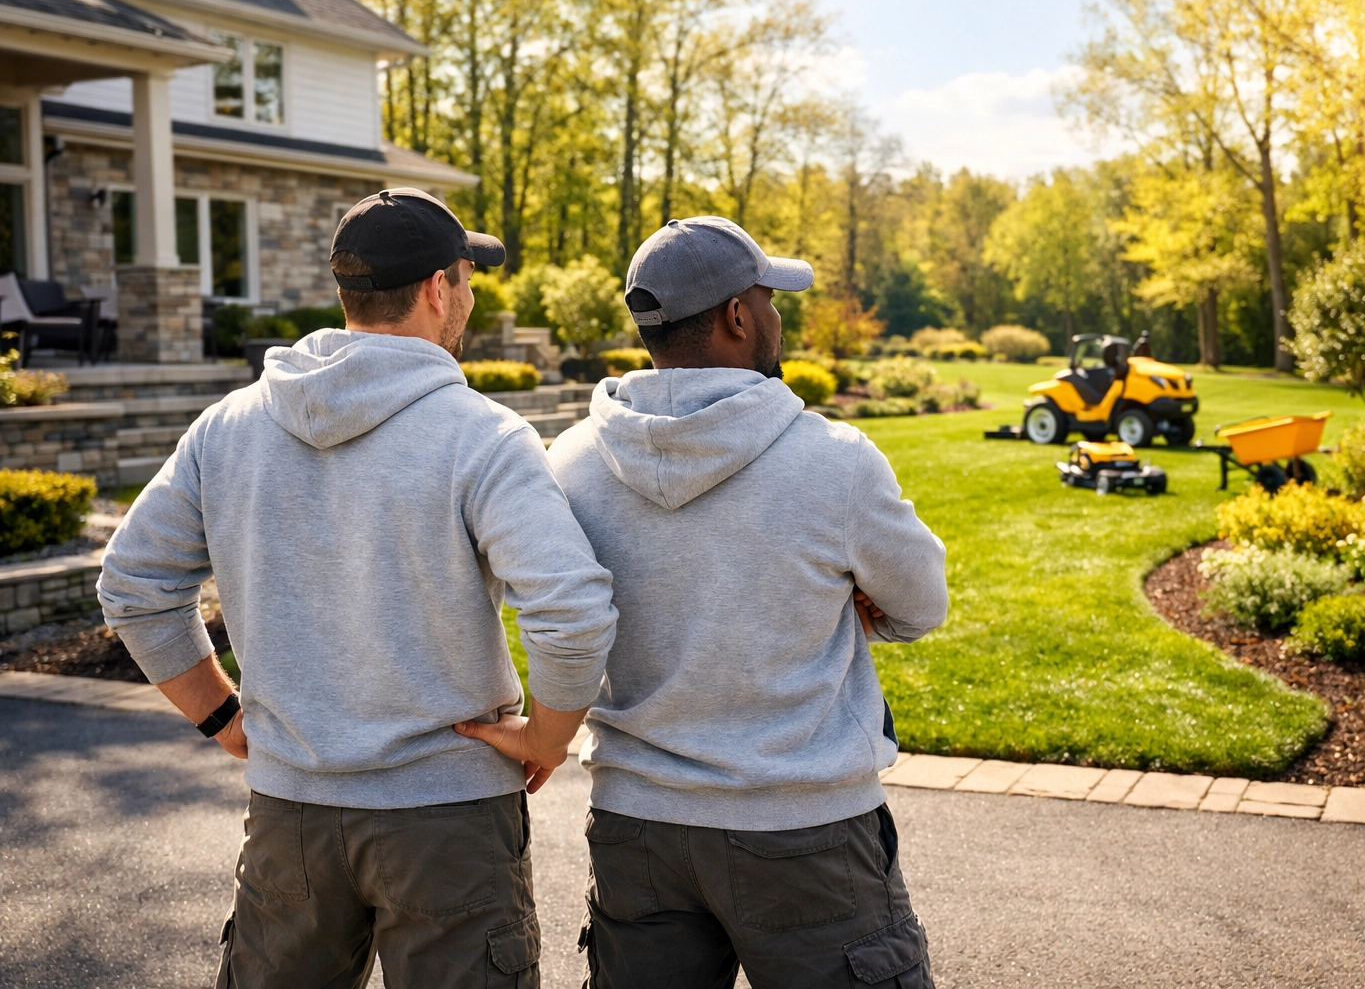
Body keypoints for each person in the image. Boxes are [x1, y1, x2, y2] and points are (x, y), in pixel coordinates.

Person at [97, 187, 617, 989]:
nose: (470, 297)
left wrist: (223, 717)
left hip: (290, 817)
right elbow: (573, 612)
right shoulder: (482, 434)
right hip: (449, 821)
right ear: (440, 288)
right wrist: (548, 739)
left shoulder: (228, 426)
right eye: (467, 280)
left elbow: (133, 584)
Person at [477, 215, 948, 987]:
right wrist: (861, 600)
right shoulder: (833, 460)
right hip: (805, 833)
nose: (777, 316)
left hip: (640, 830)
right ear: (737, 316)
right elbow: (921, 604)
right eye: (770, 299)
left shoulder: (570, 462)